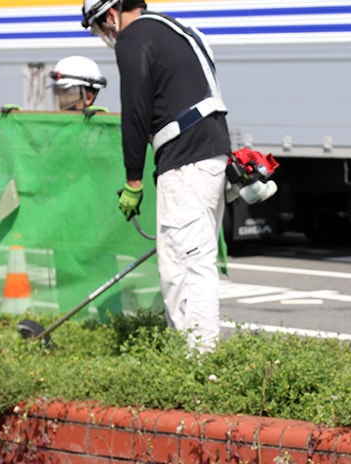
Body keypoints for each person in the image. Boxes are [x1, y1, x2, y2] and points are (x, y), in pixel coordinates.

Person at [81, 0, 232, 353]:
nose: (106, 34)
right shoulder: (174, 29)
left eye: (101, 26)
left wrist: (133, 178)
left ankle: (198, 363)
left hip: (185, 163)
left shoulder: (134, 38)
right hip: (209, 153)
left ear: (111, 14)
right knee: (191, 260)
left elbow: (135, 111)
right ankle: (195, 356)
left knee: (185, 266)